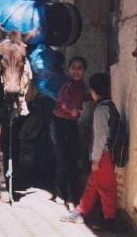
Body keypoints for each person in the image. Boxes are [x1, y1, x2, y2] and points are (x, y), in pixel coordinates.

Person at [61, 72, 117, 233]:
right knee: (93, 185)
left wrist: (95, 159)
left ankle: (109, 221)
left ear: (94, 90)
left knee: (106, 189)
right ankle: (80, 212)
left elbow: (100, 138)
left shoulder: (101, 110)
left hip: (103, 155)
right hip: (107, 154)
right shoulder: (110, 105)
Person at [50, 56, 87, 208]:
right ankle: (61, 193)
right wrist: (70, 109)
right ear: (68, 70)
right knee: (63, 160)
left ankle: (72, 195)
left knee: (71, 159)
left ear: (84, 71)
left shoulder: (81, 86)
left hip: (71, 124)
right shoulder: (67, 85)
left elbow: (83, 98)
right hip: (60, 123)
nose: (76, 71)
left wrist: (95, 97)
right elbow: (62, 101)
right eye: (73, 68)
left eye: (80, 68)